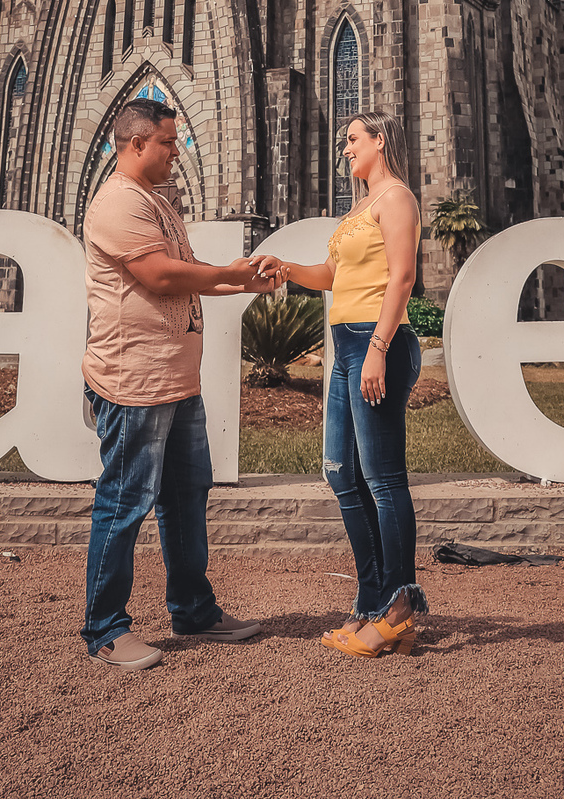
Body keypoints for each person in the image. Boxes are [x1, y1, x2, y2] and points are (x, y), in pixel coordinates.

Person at [80, 96, 281, 673]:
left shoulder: (158, 204)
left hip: (176, 381)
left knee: (187, 498)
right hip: (132, 381)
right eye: (169, 142)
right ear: (136, 142)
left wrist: (244, 282)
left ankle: (194, 610)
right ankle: (105, 630)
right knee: (124, 502)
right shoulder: (118, 202)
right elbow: (160, 275)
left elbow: (189, 280)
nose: (177, 151)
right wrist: (231, 275)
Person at [254, 112, 426, 658]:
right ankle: (372, 600)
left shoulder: (396, 198)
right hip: (346, 346)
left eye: (353, 139)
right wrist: (285, 268)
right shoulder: (359, 208)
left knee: (382, 477)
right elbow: (331, 277)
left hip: (378, 343)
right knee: (342, 475)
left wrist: (378, 347)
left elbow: (402, 277)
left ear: (380, 141)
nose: (345, 147)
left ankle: (401, 605)